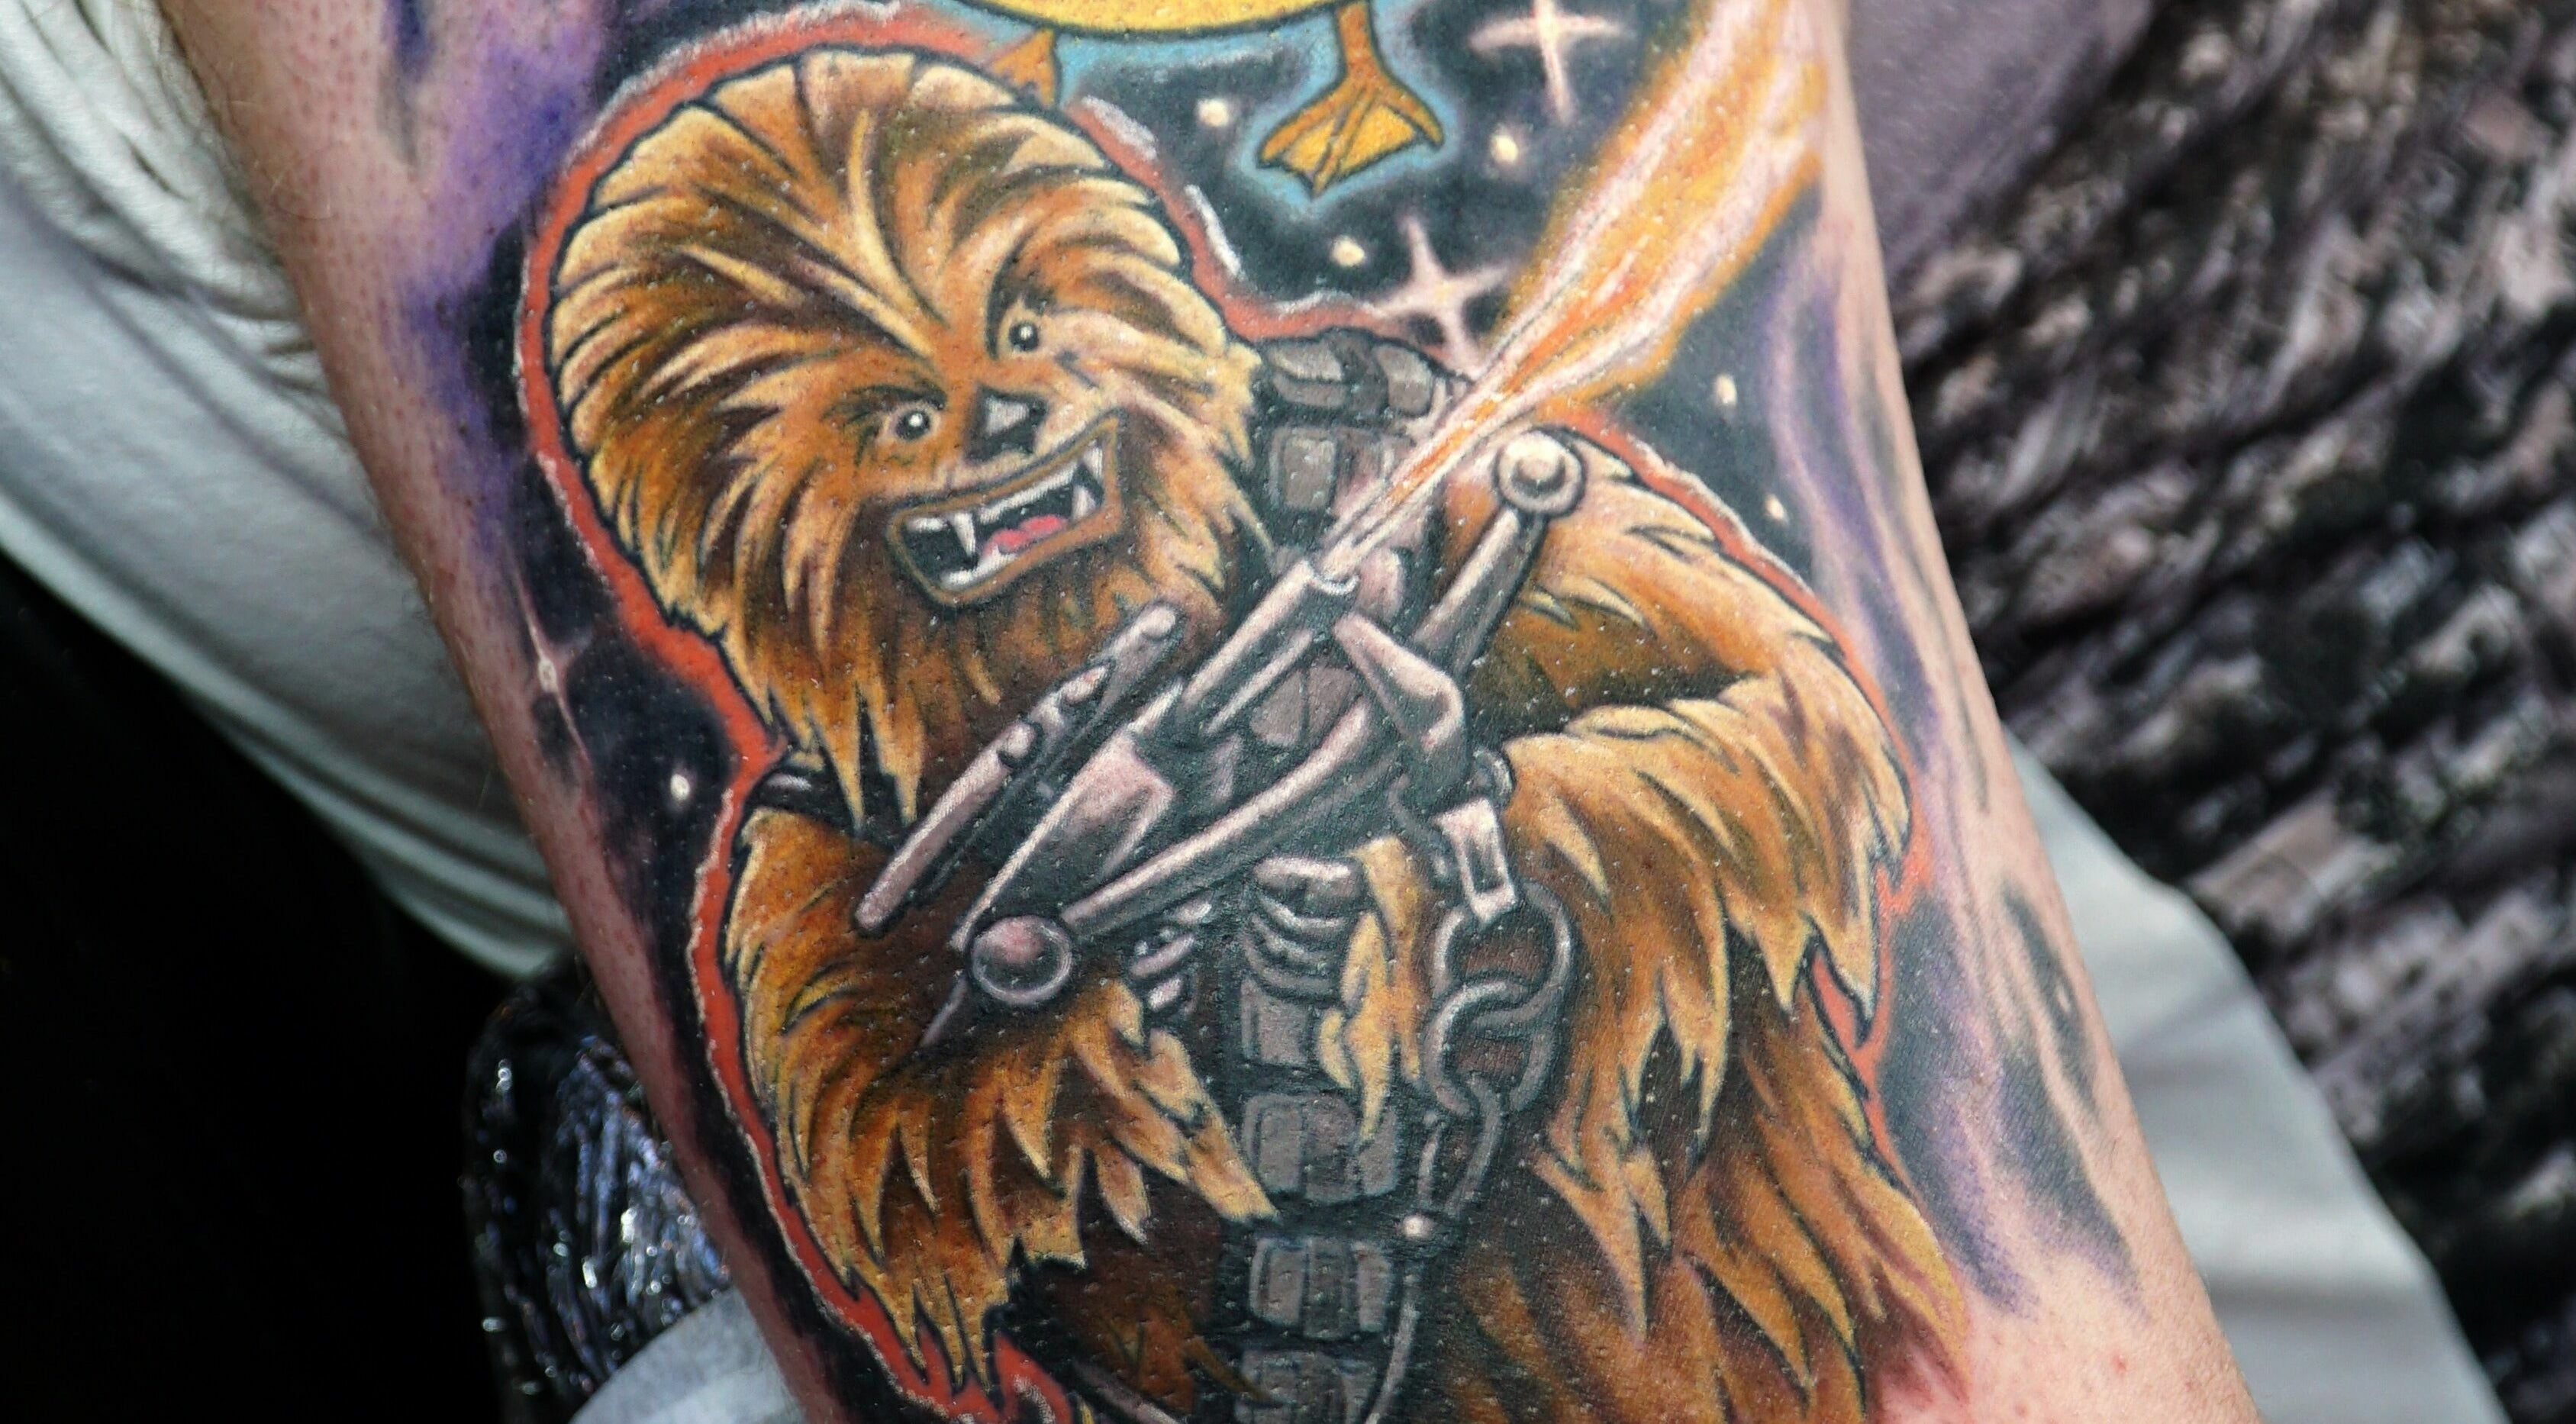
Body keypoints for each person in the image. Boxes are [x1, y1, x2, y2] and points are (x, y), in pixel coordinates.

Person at [0, 2, 2503, 1422]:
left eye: (1023, 346)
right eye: (896, 423)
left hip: (2156, 838)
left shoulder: (1398, 494)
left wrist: (1498, 875)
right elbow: (925, 1191)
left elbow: (1773, 756)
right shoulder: (835, 857)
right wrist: (1088, 1062)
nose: (993, 437)